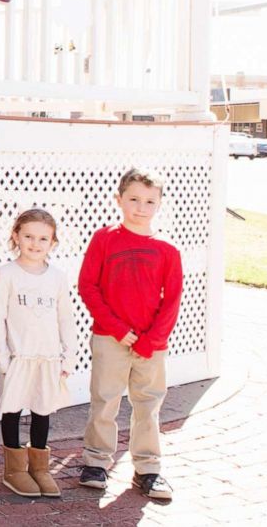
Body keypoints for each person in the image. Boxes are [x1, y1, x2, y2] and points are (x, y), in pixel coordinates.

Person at [77, 169, 182, 501]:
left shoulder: (167, 249)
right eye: (134, 199)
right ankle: (96, 462)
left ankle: (148, 469)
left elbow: (173, 299)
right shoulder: (105, 238)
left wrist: (151, 340)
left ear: (160, 204)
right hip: (111, 338)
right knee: (105, 400)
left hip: (152, 344)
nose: (141, 207)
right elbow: (88, 287)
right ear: (119, 200)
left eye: (150, 201)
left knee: (147, 405)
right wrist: (118, 329)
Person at [0, 208, 76, 499]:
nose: (35, 243)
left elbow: (65, 317)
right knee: (12, 409)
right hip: (19, 358)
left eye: (43, 238)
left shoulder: (57, 277)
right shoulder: (7, 273)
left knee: (42, 409)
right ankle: (14, 470)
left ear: (53, 242)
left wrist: (69, 355)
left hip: (48, 357)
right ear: (16, 236)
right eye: (28, 236)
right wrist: (2, 358)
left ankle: (39, 468)